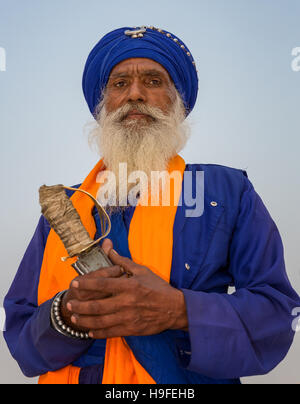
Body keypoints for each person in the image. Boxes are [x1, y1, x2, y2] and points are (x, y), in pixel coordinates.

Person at [4, 26, 300, 385]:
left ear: (177, 102)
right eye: (119, 84)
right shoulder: (65, 208)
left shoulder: (227, 191)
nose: (135, 95)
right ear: (103, 106)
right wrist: (68, 314)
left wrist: (179, 310)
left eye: (153, 80)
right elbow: (18, 331)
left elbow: (278, 315)